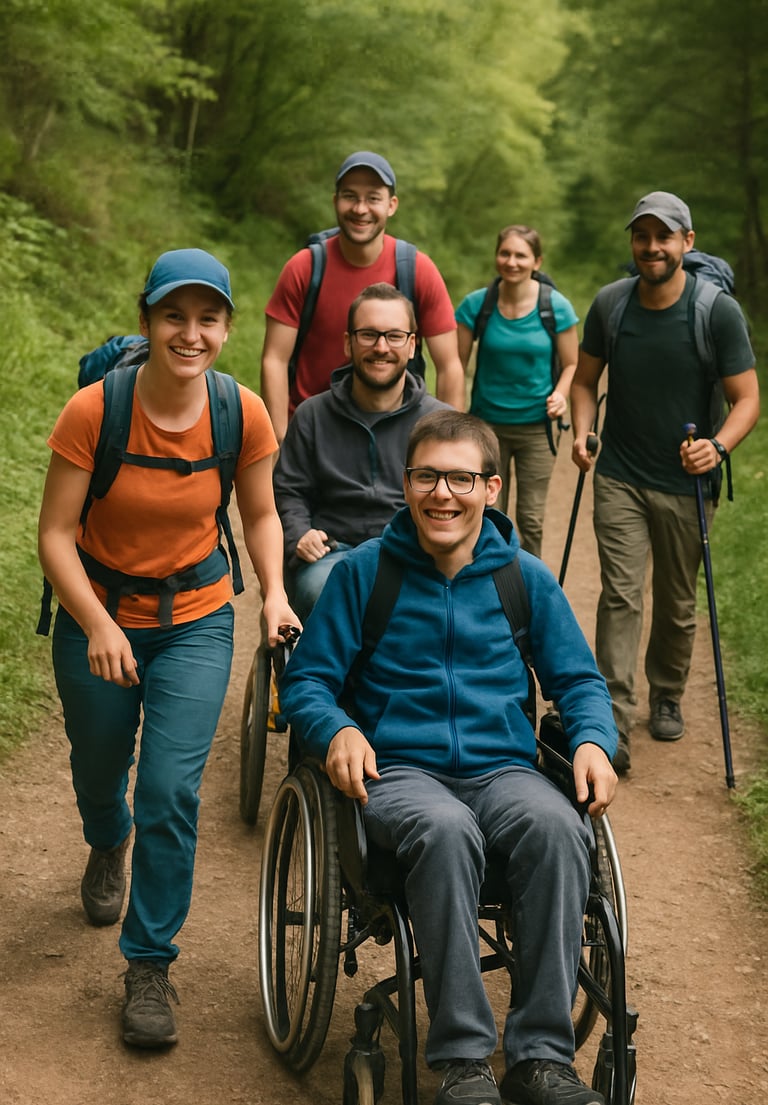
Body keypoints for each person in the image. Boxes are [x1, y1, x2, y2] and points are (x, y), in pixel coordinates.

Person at [281, 410, 618, 1105]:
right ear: (405, 484)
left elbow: (580, 681)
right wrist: (337, 729)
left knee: (559, 827)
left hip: (504, 770)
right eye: (427, 476)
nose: (443, 493)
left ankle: (542, 1058)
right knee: (445, 828)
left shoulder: (523, 579)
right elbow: (308, 681)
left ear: (491, 487)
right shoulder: (365, 574)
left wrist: (592, 740)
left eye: (461, 479)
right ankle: (464, 1059)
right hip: (399, 771)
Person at [37, 248, 300, 1049]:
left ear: (226, 327)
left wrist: (275, 591)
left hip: (196, 617)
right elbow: (55, 534)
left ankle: (149, 963)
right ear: (148, 321)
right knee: (98, 767)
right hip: (99, 612)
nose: (191, 334)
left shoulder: (241, 412)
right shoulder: (94, 410)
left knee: (170, 790)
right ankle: (106, 837)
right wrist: (98, 624)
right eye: (174, 317)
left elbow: (260, 513)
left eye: (208, 319)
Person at [570, 191, 759, 775]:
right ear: (632, 242)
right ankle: (613, 719)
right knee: (621, 595)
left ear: (687, 242)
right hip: (620, 475)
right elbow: (584, 382)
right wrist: (583, 432)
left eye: (664, 236)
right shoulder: (611, 304)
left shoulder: (716, 312)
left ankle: (669, 692)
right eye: (642, 236)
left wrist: (717, 447)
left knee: (676, 602)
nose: (651, 247)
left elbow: (747, 399)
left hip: (686, 482)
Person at [261, 150, 465, 441]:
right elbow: (275, 360)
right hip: (313, 434)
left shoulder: (418, 271)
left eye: (373, 198)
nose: (360, 209)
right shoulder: (304, 268)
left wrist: (449, 446)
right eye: (350, 196)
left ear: (391, 205)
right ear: (335, 201)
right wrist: (281, 439)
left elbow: (449, 366)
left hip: (397, 433)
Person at [273, 282, 448, 621]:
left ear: (412, 345)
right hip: (330, 553)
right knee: (326, 592)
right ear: (348, 343)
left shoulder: (438, 423)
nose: (381, 347)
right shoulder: (311, 415)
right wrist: (299, 535)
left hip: (414, 551)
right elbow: (288, 490)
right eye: (368, 335)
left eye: (394, 336)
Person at [455, 225, 579, 557]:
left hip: (537, 429)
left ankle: (527, 580)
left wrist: (561, 394)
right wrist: (453, 417)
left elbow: (572, 364)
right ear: (497, 256)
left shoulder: (556, 307)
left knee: (530, 519)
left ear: (536, 262)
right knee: (488, 514)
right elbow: (455, 364)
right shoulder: (476, 305)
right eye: (505, 253)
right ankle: (487, 575)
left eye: (521, 255)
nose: (511, 262)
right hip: (486, 428)